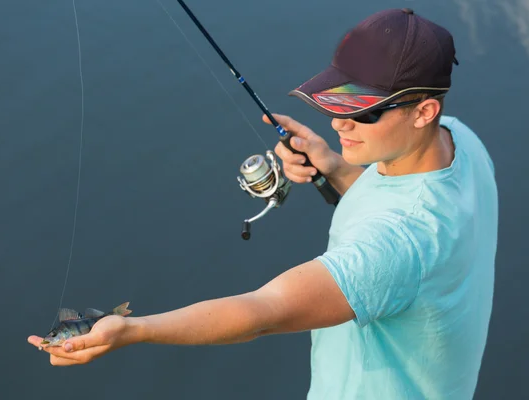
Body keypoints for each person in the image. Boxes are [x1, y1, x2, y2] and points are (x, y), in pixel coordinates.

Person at [28, 8, 498, 400]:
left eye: (364, 111)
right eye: (335, 101)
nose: (340, 123)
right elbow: (411, 223)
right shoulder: (462, 144)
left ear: (423, 111)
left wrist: (133, 329)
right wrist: (334, 166)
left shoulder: (393, 250)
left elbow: (262, 311)